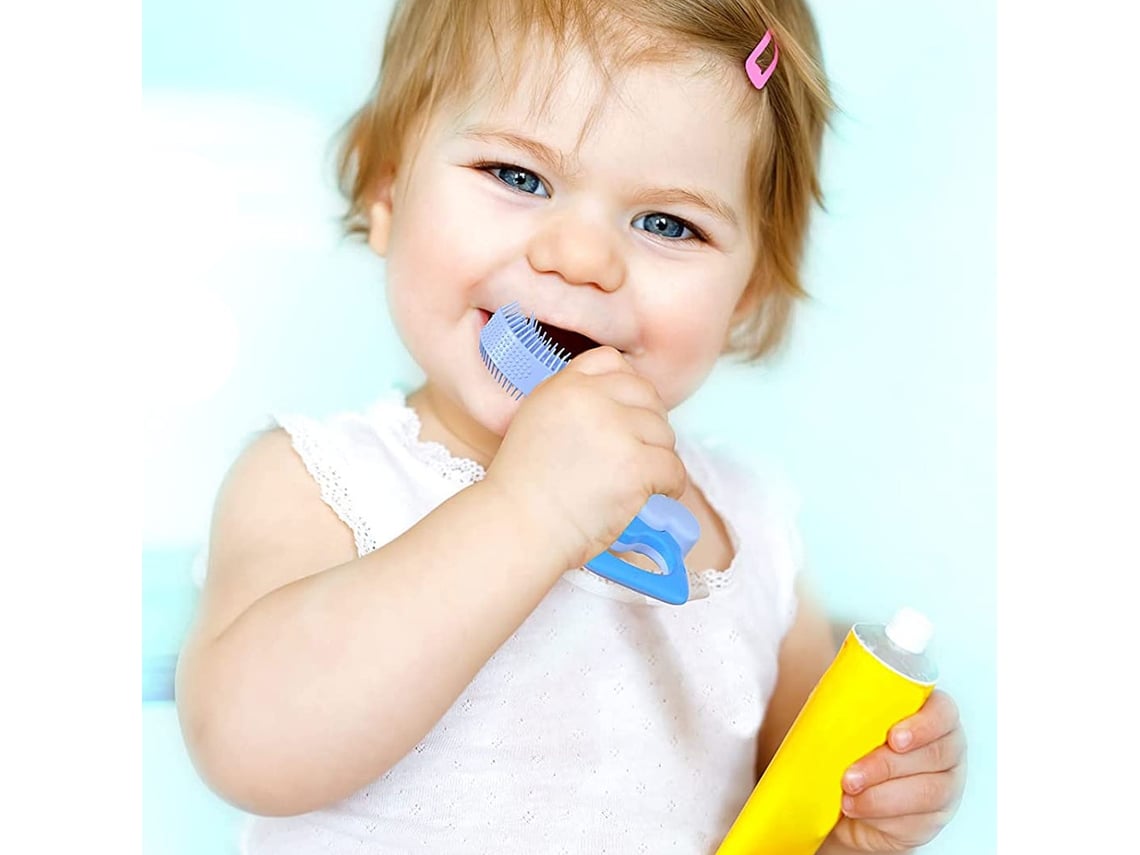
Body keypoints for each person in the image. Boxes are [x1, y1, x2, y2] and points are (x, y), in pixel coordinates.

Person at [175, 1, 967, 852]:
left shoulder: (750, 533)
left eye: (669, 223)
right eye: (519, 177)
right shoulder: (320, 481)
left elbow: (787, 812)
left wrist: (864, 802)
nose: (581, 257)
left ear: (746, 293)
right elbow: (248, 743)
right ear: (388, 189)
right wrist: (530, 511)